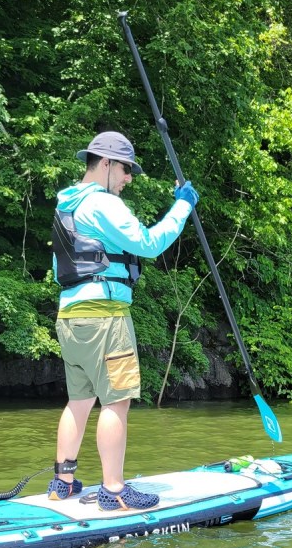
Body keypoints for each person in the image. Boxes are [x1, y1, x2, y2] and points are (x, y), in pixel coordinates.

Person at [48, 130, 199, 511]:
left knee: (79, 400)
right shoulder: (102, 204)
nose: (129, 178)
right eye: (127, 169)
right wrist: (182, 207)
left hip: (69, 317)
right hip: (106, 316)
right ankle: (114, 492)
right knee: (117, 402)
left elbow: (58, 268)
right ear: (106, 164)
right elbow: (147, 244)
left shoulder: (65, 206)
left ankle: (62, 483)